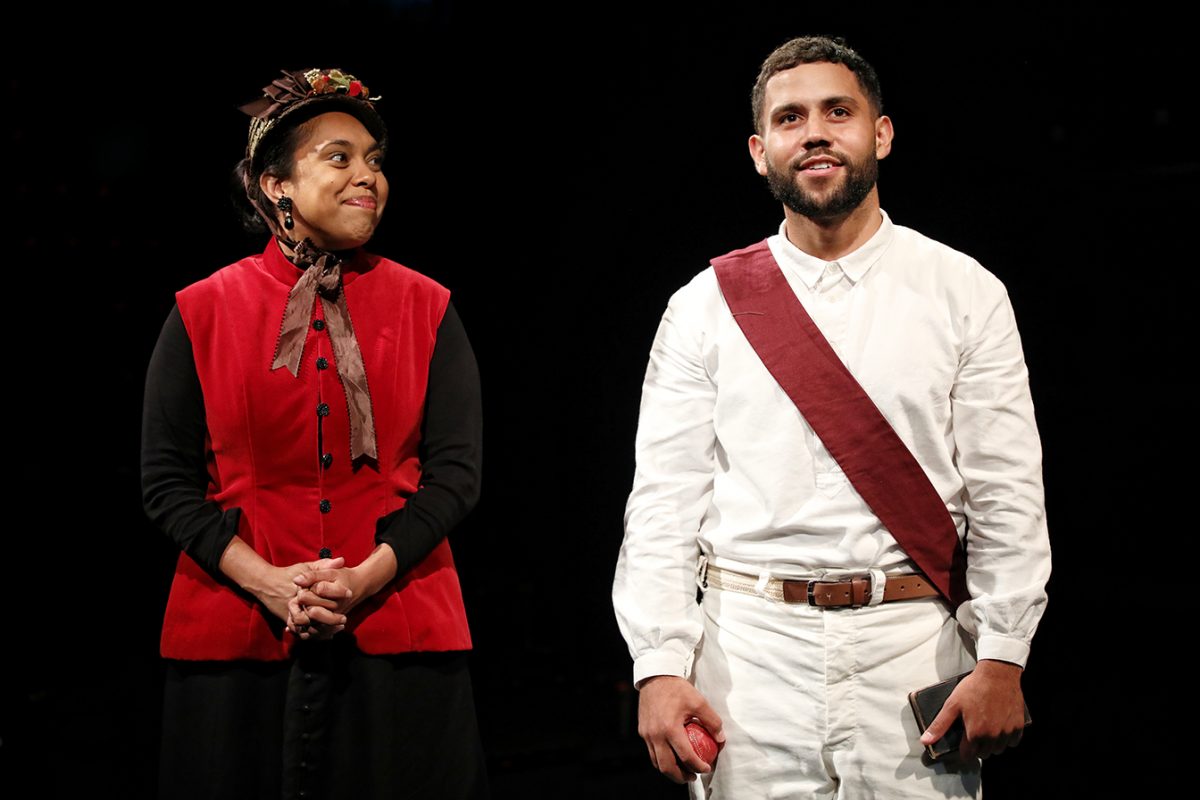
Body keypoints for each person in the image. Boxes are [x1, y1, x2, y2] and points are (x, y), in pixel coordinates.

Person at [612, 36, 1049, 799]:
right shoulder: (703, 307)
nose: (814, 131)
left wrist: (1004, 656)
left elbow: (1006, 492)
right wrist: (657, 666)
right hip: (749, 654)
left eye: (837, 111)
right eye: (790, 118)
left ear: (879, 133)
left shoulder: (965, 291)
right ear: (759, 150)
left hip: (915, 647)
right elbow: (662, 505)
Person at [141, 68, 488, 799]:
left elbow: (455, 474)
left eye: (375, 161)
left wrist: (364, 577)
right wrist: (267, 582)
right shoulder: (201, 310)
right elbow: (166, 484)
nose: (368, 176)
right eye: (340, 157)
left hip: (399, 633)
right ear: (276, 185)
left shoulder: (428, 306)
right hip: (235, 639)